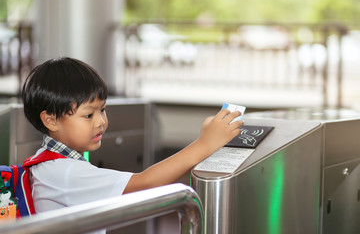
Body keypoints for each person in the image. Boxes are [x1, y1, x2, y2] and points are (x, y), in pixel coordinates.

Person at [22, 57, 244, 215]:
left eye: (103, 110)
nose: (101, 121)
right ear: (50, 120)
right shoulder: (66, 172)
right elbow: (145, 183)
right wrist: (205, 144)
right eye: (88, 115)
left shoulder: (48, 162)